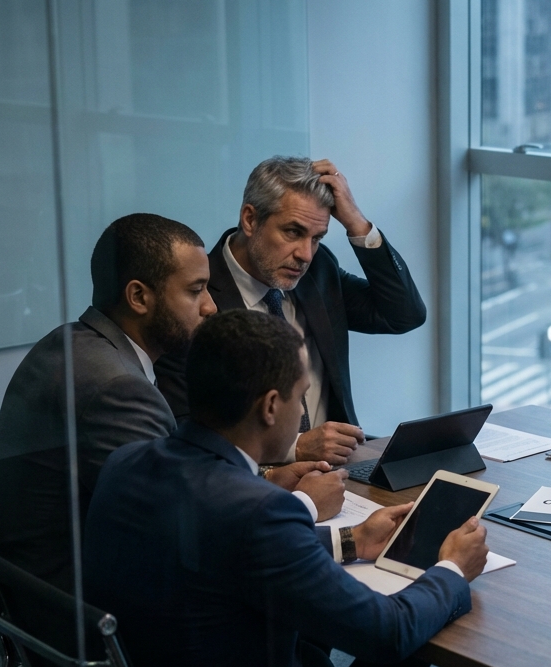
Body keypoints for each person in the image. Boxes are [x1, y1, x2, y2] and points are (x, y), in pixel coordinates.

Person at [83, 310, 486, 667]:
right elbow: (387, 633)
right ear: (272, 406)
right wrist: (452, 569)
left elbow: (215, 545)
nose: (303, 413)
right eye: (300, 397)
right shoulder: (259, 511)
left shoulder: (127, 464)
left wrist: (354, 539)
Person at [0, 214, 343, 592]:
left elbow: (175, 497)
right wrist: (304, 507)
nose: (211, 307)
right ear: (138, 297)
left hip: (21, 596)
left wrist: (262, 482)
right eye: (196, 290)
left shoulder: (68, 342)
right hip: (70, 618)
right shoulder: (118, 390)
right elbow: (188, 541)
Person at [155, 156, 426, 467]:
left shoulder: (317, 270)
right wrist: (295, 447)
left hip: (339, 474)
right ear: (250, 219)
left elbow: (404, 314)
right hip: (247, 486)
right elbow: (187, 432)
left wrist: (357, 223)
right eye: (293, 232)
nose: (305, 254)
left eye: (317, 238)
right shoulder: (197, 295)